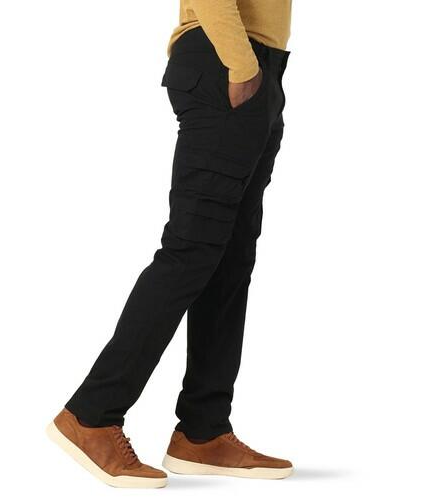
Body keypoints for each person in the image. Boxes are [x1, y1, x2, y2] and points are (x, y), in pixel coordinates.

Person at [47, 0, 293, 488]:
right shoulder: (235, 60)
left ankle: (203, 431)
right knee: (190, 252)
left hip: (259, 65)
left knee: (230, 259)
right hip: (227, 58)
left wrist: (256, 71)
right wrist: (241, 64)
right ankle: (91, 415)